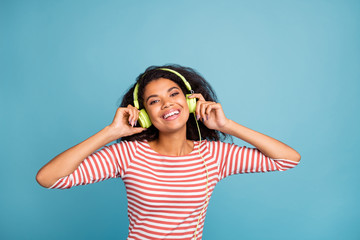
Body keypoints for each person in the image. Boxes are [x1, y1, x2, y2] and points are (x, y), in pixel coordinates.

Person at [36, 64, 301, 240]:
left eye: (174, 94)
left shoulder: (214, 156)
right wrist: (110, 133)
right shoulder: (128, 155)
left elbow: (288, 159)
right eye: (154, 101)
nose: (167, 104)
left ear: (189, 101)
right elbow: (48, 178)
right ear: (144, 114)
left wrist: (226, 125)